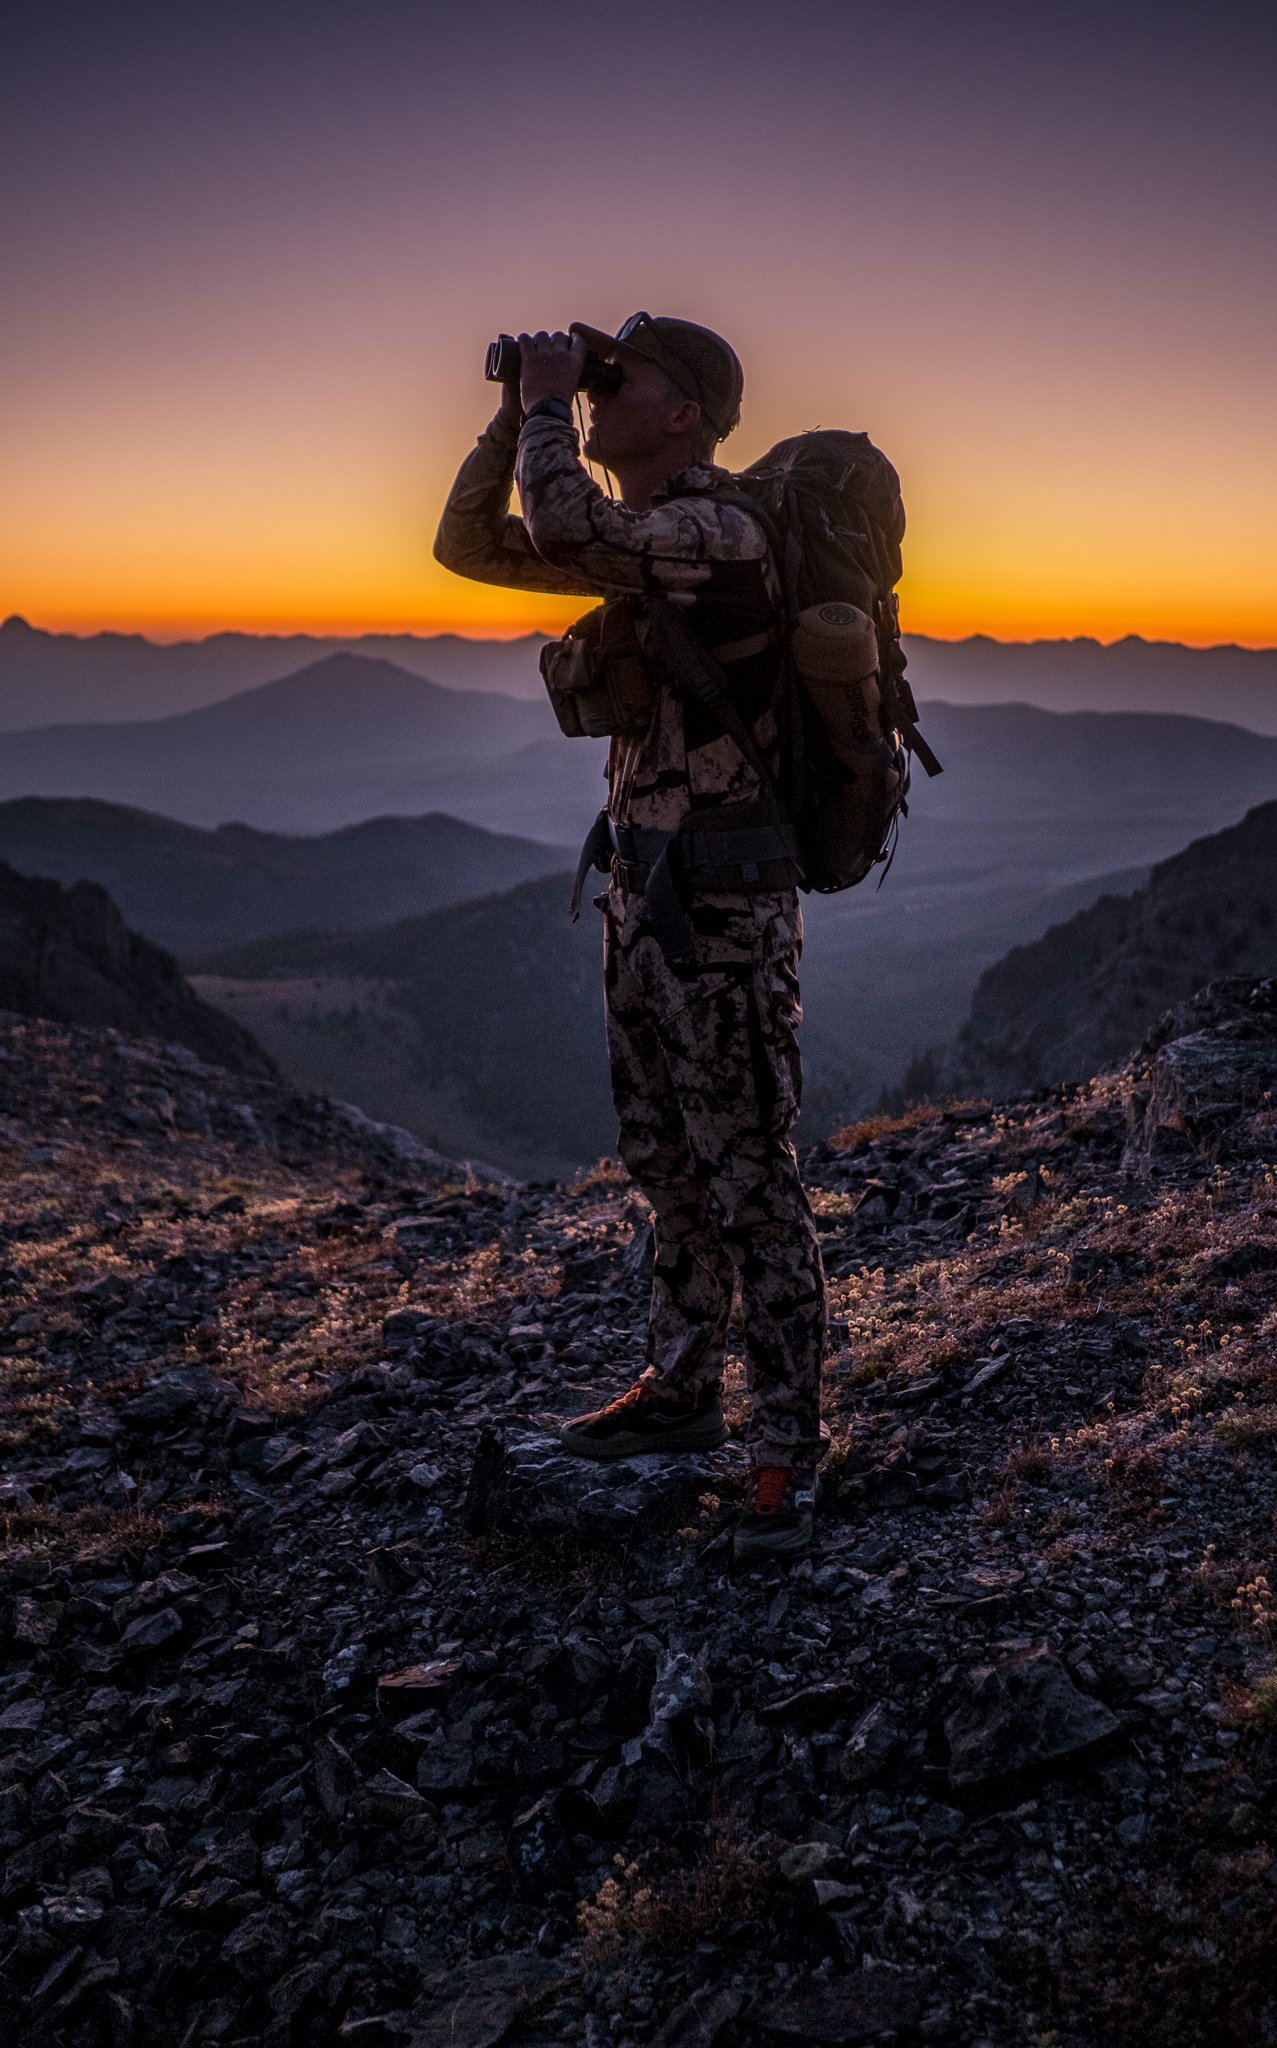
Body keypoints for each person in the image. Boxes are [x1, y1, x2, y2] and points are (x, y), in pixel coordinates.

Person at [433, 315, 825, 1561]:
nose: (600, 397)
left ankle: (785, 1448)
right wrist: (515, 415)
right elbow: (465, 543)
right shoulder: (648, 549)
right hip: (646, 903)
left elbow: (563, 523)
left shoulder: (716, 533)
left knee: (749, 1174)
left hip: (721, 918)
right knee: (666, 1164)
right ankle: (679, 1390)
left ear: (687, 418)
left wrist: (548, 400)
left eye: (622, 381)